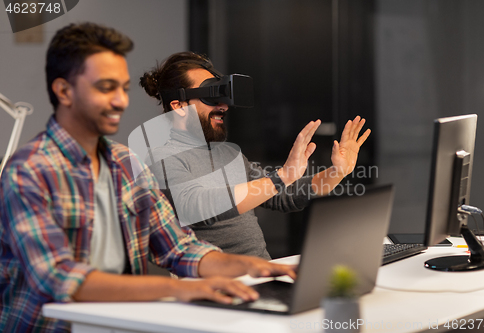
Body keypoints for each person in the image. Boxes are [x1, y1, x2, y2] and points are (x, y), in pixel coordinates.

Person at [0, 23, 296, 332]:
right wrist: (181, 289)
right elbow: (63, 279)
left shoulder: (125, 163)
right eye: (105, 87)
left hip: (121, 324)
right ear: (64, 91)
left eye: (123, 88)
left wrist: (254, 267)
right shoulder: (28, 172)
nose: (120, 101)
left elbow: (177, 247)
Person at [140, 51, 371, 260]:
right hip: (220, 287)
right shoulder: (162, 158)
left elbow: (285, 195)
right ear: (179, 107)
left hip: (262, 274)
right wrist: (281, 176)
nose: (224, 106)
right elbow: (197, 206)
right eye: (212, 96)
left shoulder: (229, 154)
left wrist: (337, 172)